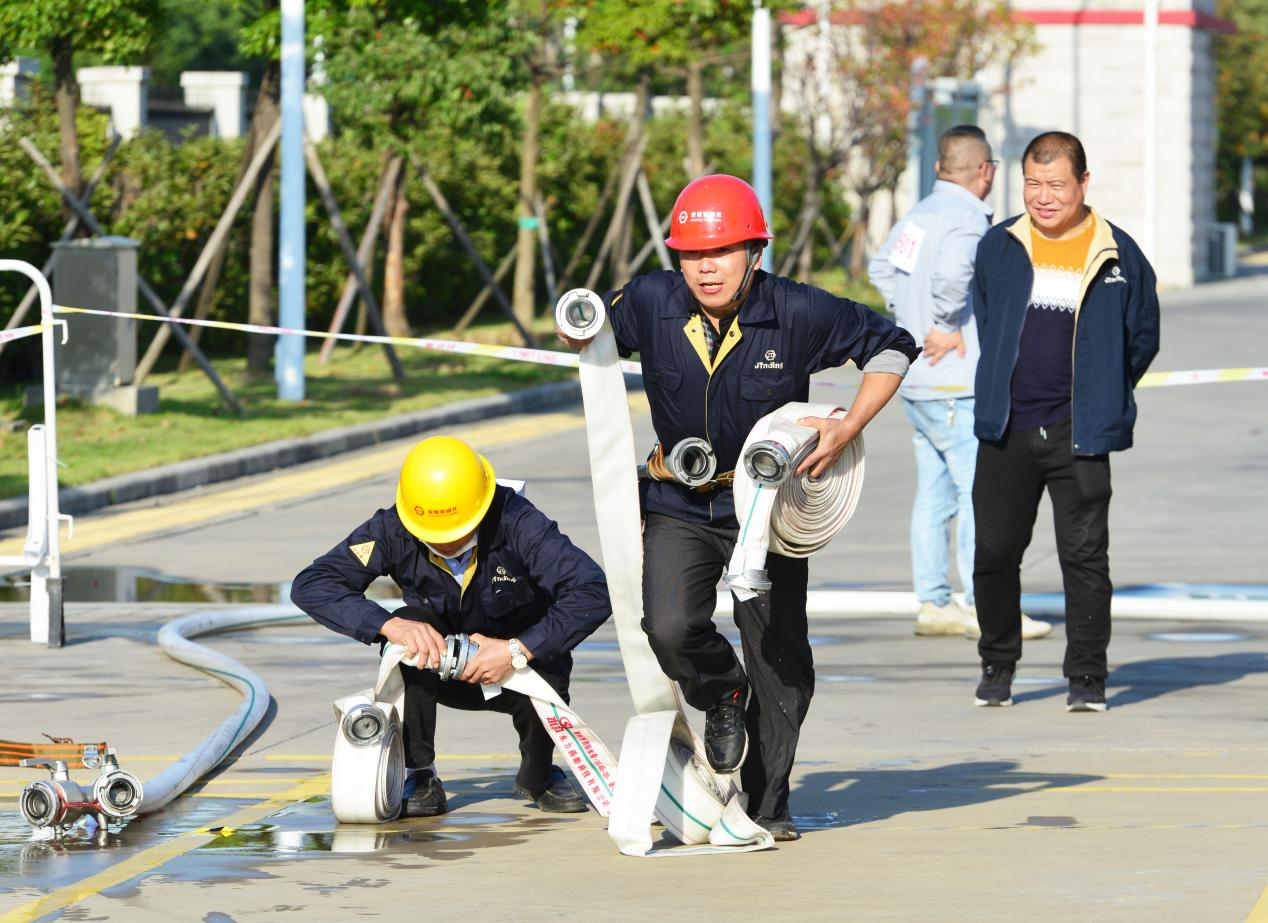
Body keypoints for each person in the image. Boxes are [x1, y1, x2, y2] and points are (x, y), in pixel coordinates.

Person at [558, 174, 919, 841]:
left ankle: (766, 805)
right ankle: (723, 693)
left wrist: (847, 426)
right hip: (680, 499)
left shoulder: (798, 312)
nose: (706, 268)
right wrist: (579, 330)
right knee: (668, 626)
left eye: (722, 252)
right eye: (693, 254)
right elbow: (592, 324)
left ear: (755, 251)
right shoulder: (650, 300)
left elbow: (895, 344)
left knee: (778, 655)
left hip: (769, 506)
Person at [291, 435, 612, 816]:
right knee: (410, 626)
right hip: (435, 670)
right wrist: (388, 625)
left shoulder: (519, 522)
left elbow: (591, 590)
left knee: (548, 655)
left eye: (456, 531)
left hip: (517, 669)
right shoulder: (396, 527)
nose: (444, 543)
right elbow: (313, 584)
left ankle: (539, 775)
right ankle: (419, 773)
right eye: (432, 536)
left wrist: (516, 651)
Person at [970, 131, 1160, 712]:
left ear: (1083, 182)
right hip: (1007, 429)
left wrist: (1103, 390)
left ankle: (1086, 677)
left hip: (1079, 433)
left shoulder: (1120, 253)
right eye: (1033, 183)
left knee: (1084, 558)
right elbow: (986, 316)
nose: (1043, 196)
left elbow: (1142, 337)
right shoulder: (998, 245)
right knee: (995, 553)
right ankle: (998, 664)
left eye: (1056, 184)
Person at [869, 125, 1052, 643]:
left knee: (934, 492)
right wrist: (945, 323)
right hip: (955, 382)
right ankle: (983, 604)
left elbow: (881, 267)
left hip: (917, 381)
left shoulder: (920, 215)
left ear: (940, 167)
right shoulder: (968, 217)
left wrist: (908, 313)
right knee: (982, 494)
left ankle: (933, 602)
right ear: (986, 171)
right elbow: (954, 275)